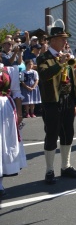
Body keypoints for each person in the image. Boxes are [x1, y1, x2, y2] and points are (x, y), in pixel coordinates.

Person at [37, 26, 76, 184]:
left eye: (65, 39)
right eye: (62, 39)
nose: (65, 41)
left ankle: (65, 166)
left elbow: (73, 81)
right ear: (52, 41)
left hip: (68, 102)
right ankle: (49, 170)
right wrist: (59, 64)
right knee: (51, 135)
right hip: (52, 103)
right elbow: (44, 75)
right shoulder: (43, 58)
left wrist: (75, 102)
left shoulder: (66, 56)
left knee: (68, 133)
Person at [0, 61, 27, 198]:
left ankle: (0, 182)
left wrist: (20, 114)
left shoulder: (9, 70)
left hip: (6, 110)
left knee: (4, 144)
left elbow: (16, 92)